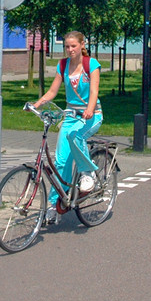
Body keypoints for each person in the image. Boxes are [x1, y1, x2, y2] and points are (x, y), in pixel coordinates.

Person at [33, 30, 102, 224]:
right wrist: (37, 104)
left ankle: (88, 173)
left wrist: (89, 110)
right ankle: (55, 205)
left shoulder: (91, 64)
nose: (70, 50)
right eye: (67, 46)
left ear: (82, 45)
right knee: (61, 162)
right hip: (71, 116)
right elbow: (53, 90)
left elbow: (95, 91)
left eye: (73, 46)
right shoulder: (63, 65)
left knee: (75, 137)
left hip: (92, 116)